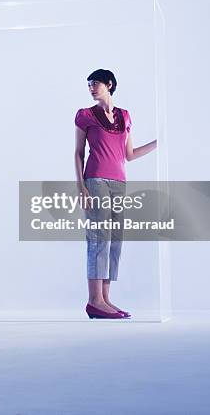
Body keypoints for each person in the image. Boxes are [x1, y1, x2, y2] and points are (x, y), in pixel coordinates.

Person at [74, 69, 156, 320]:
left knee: (115, 242)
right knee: (99, 239)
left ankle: (106, 299)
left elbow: (129, 154)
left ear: (109, 84)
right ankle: (94, 301)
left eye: (95, 83)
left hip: (120, 182)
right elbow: (79, 153)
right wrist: (81, 188)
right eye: (89, 84)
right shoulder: (85, 115)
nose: (91, 87)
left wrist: (159, 143)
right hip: (95, 180)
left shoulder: (125, 116)